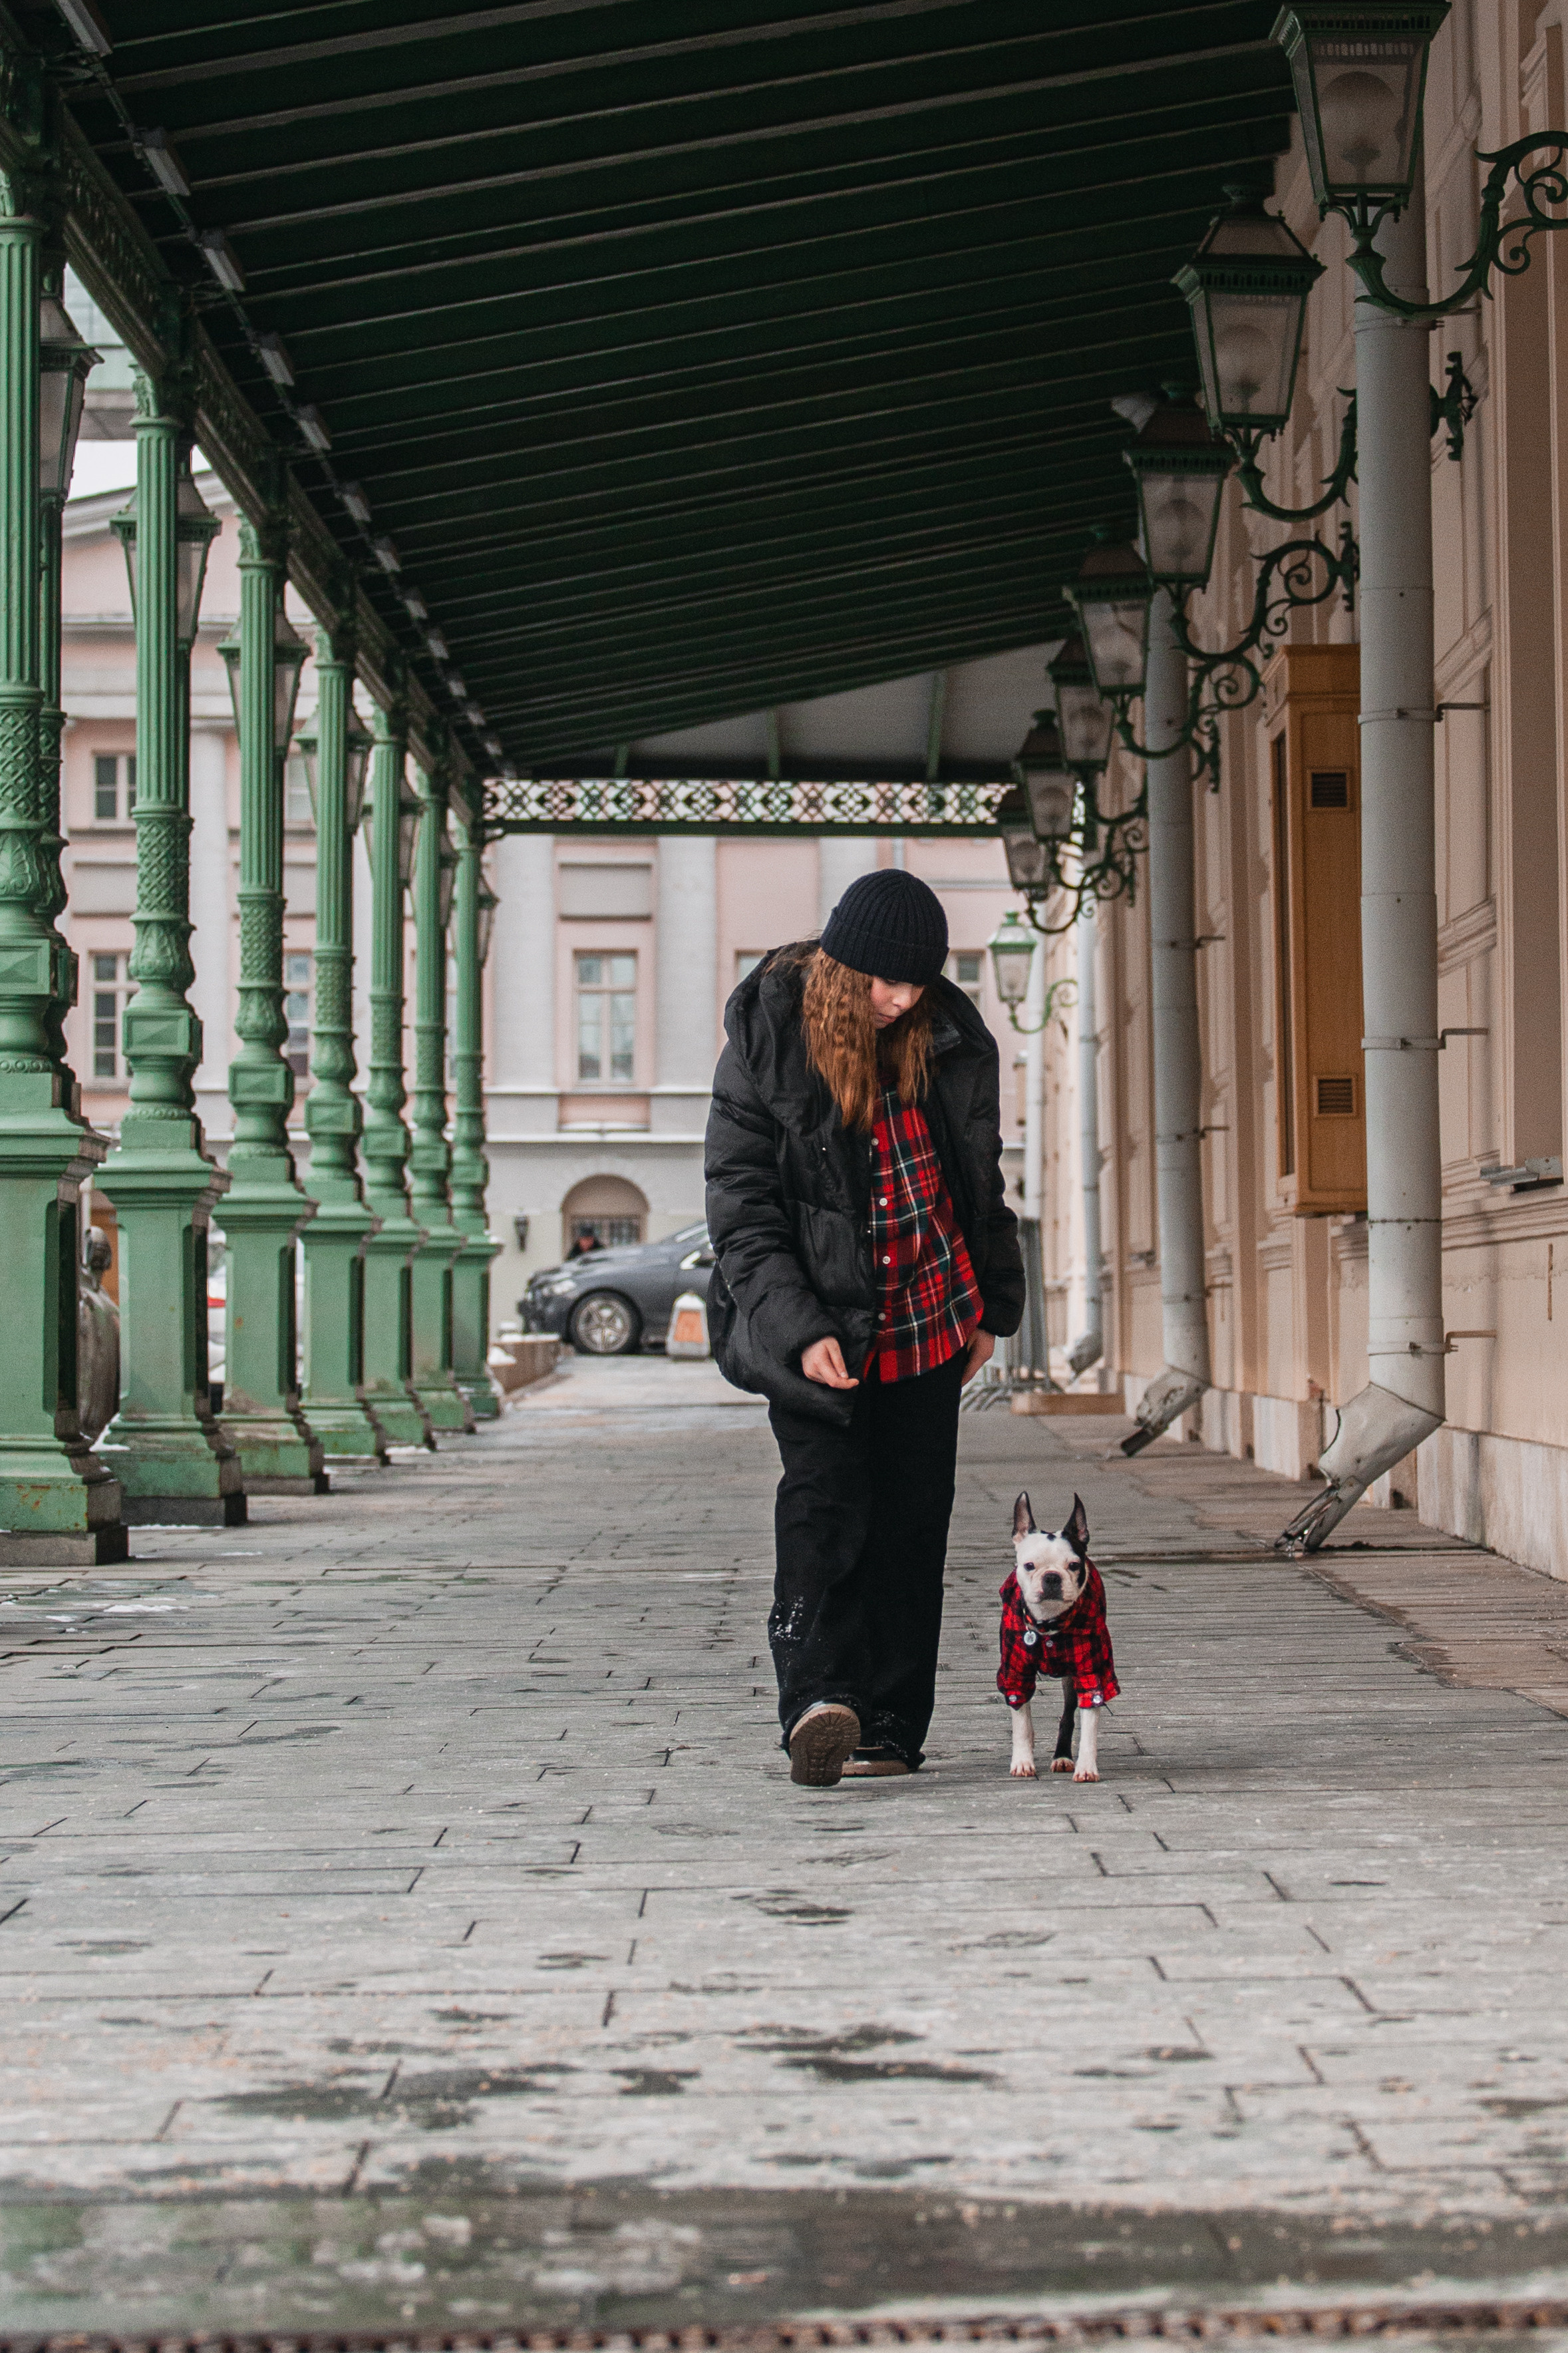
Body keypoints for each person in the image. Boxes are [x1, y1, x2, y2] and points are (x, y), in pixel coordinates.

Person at [705, 867, 1024, 1786]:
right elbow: (742, 1205)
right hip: (819, 1329)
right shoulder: (767, 1038)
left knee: (911, 1526)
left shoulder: (953, 1039)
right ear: (844, 971)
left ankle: (889, 1721)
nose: (902, 1000)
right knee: (823, 1512)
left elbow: (977, 1185)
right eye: (886, 983)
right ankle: (817, 1701)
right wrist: (796, 1326)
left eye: (917, 984)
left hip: (929, 1317)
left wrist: (989, 1307)